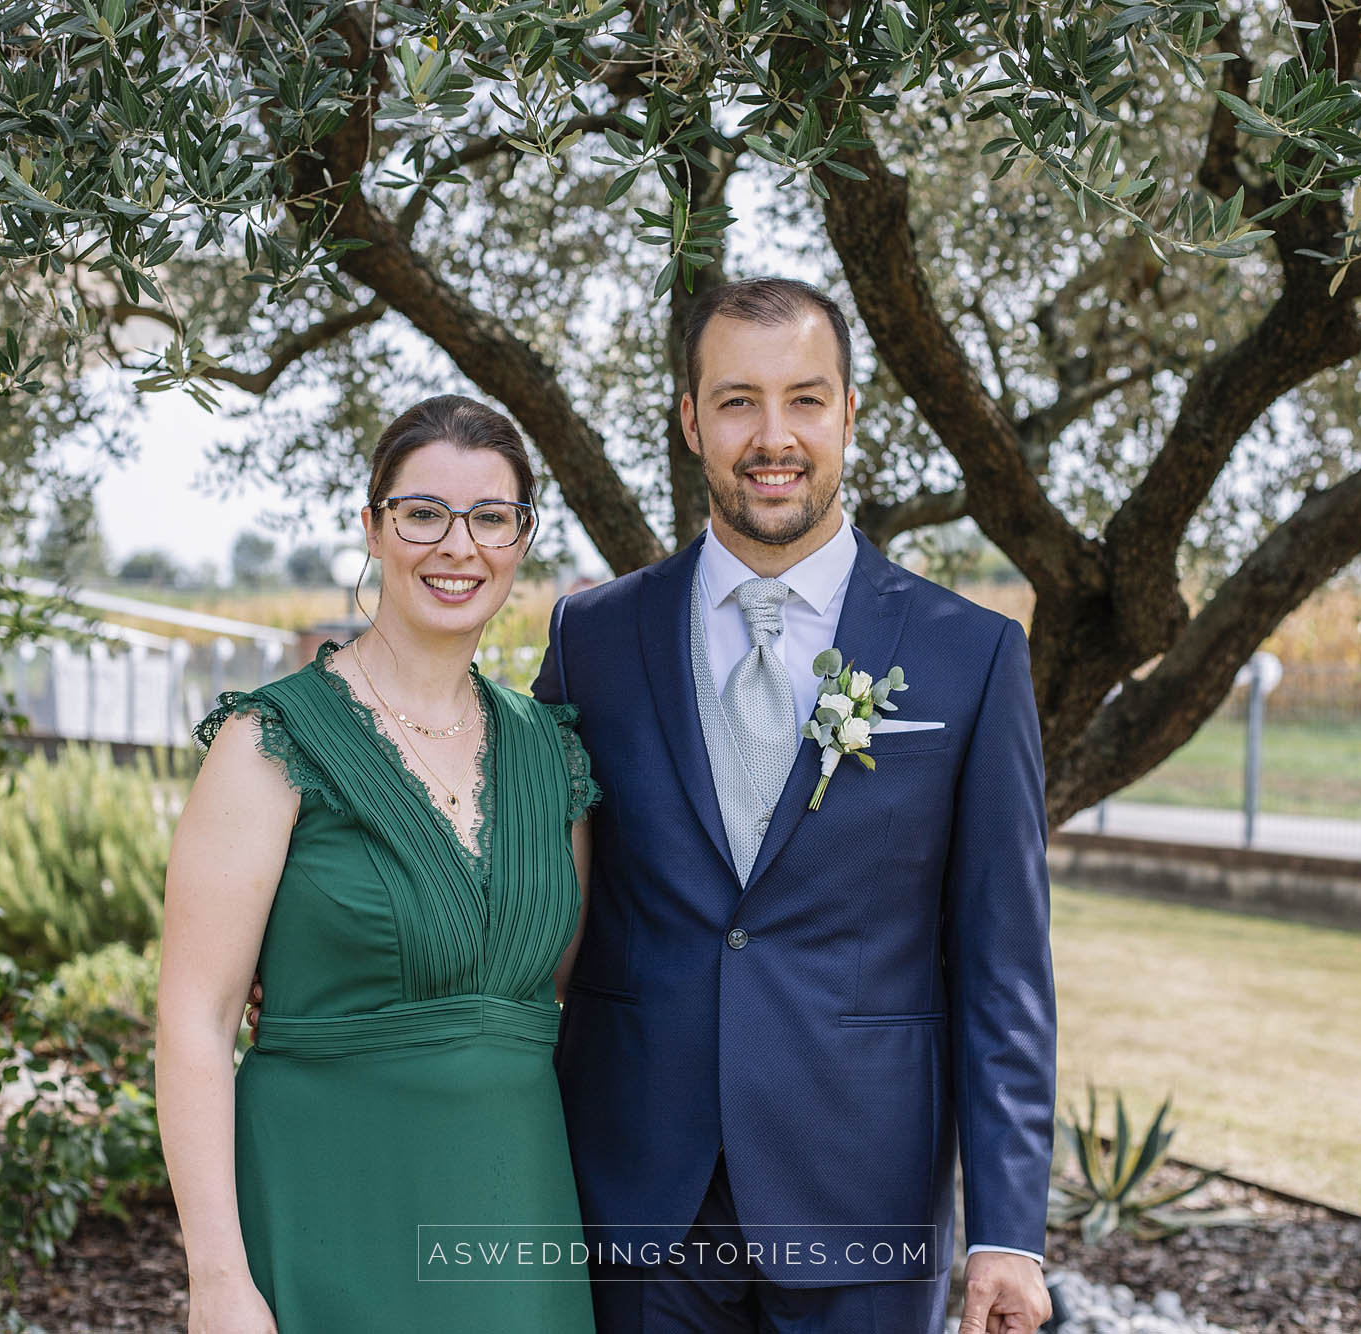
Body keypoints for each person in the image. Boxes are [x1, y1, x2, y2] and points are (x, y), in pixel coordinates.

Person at [533, 277, 1057, 1334]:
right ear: (689, 421)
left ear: (849, 413)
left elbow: (1004, 965)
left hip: (864, 1195)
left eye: (804, 399)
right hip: (640, 1193)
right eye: (735, 401)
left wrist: (1007, 1227)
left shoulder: (971, 654)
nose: (771, 436)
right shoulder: (591, 636)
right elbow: (525, 867)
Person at [156, 395, 600, 1333]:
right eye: (423, 513)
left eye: (491, 517)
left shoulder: (550, 756)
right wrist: (219, 1279)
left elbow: (560, 992)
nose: (458, 545)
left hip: (515, 1225)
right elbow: (195, 1020)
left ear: (522, 539)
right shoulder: (269, 739)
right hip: (325, 1211)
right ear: (373, 526)